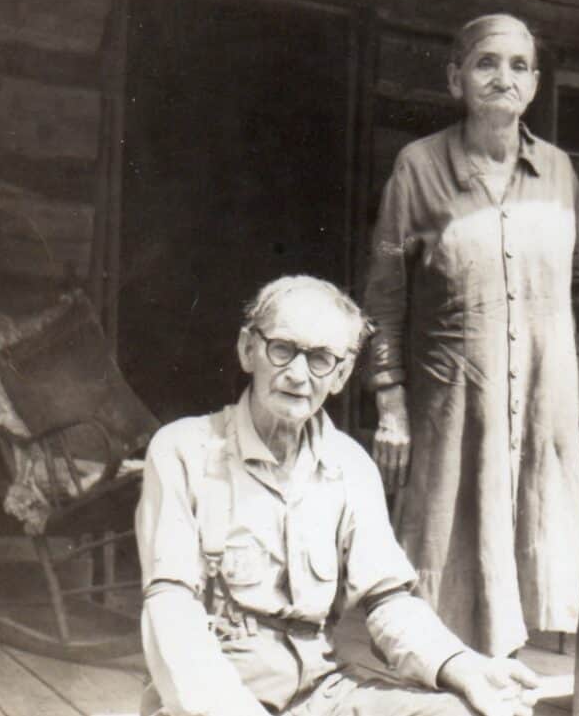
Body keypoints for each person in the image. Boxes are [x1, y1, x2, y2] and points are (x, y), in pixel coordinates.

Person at [135, 275, 540, 716]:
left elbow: (390, 603)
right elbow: (170, 608)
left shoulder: (350, 466)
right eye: (282, 349)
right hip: (214, 696)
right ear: (248, 349)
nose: (298, 374)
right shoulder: (184, 450)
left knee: (465, 713)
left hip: (321, 693)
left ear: (342, 374)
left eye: (320, 359)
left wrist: (464, 668)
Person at [364, 13, 579, 658]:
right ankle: (443, 674)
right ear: (454, 78)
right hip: (457, 398)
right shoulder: (418, 167)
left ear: (534, 84)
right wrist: (390, 403)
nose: (502, 78)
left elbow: (577, 290)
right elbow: (384, 294)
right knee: (447, 543)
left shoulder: (561, 173)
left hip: (544, 397)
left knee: (534, 524)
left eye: (518, 66)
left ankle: (511, 673)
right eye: (486, 63)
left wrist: (578, 392)